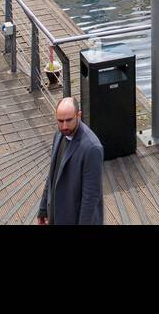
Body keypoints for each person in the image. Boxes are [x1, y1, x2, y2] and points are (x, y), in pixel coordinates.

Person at [37, 96, 104, 225]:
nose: (64, 126)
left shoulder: (92, 148)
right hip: (56, 216)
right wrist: (43, 208)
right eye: (60, 121)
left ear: (79, 115)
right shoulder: (59, 134)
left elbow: (91, 197)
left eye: (68, 120)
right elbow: (52, 175)